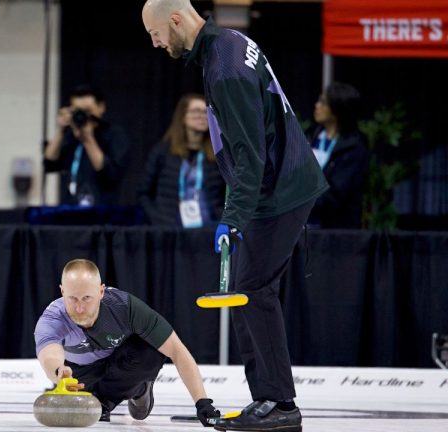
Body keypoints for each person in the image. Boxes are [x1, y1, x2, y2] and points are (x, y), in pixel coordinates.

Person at [142, 1, 328, 431]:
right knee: (253, 290)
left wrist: (233, 216)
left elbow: (250, 154)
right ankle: (269, 400)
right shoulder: (227, 44)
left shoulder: (224, 66)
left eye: (154, 32)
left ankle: (278, 405)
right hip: (282, 184)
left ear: (174, 20)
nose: (153, 42)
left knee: (252, 290)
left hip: (279, 190)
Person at [34, 259, 220, 426]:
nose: (80, 307)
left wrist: (202, 402)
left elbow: (177, 350)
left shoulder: (124, 307)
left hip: (121, 365)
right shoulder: (52, 318)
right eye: (72, 298)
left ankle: (132, 391)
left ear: (101, 291)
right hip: (80, 373)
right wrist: (59, 372)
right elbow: (49, 354)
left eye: (87, 298)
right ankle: (101, 394)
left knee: (153, 350)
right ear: (62, 291)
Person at [138, 93, 225, 227]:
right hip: (170, 231)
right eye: (195, 111)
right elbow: (144, 193)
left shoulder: (219, 154)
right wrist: (158, 220)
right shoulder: (162, 151)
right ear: (182, 117)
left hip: (208, 230)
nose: (201, 116)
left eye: (205, 112)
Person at [43, 85, 130, 206]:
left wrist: (88, 139)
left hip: (103, 212)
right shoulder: (71, 136)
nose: (83, 116)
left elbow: (110, 175)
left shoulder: (115, 135)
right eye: (78, 111)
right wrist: (61, 130)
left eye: (88, 111)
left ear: (101, 107)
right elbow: (49, 163)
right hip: (70, 210)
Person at [308, 82, 369, 228]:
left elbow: (336, 193)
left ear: (337, 109)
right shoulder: (311, 137)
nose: (317, 106)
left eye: (323, 102)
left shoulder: (354, 147)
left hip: (335, 229)